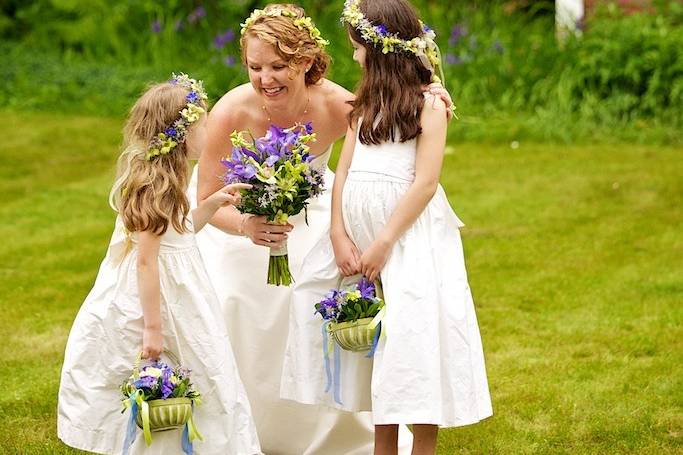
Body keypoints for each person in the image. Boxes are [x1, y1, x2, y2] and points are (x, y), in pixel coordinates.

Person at [191, 4, 453, 454]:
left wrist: (431, 90)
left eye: (278, 66)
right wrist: (247, 227)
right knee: (232, 293)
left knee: (310, 292)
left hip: (316, 216)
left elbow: (391, 111)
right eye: (255, 67)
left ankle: (319, 427)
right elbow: (205, 202)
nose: (265, 78)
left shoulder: (340, 105)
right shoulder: (231, 111)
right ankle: (237, 428)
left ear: (307, 61)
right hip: (240, 221)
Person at [281, 1, 493, 454]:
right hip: (360, 239)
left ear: (379, 50)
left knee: (412, 343)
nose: (354, 56)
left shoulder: (430, 105)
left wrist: (383, 242)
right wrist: (339, 232)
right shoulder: (362, 107)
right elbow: (344, 173)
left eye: (358, 47)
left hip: (407, 240)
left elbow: (425, 183)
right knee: (377, 347)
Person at [57, 75, 261, 455]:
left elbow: (179, 235)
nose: (209, 130)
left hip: (183, 292)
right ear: (182, 134)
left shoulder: (173, 180)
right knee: (163, 367)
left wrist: (211, 205)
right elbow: (148, 261)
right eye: (203, 124)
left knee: (204, 367)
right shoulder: (154, 187)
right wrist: (153, 329)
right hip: (158, 300)